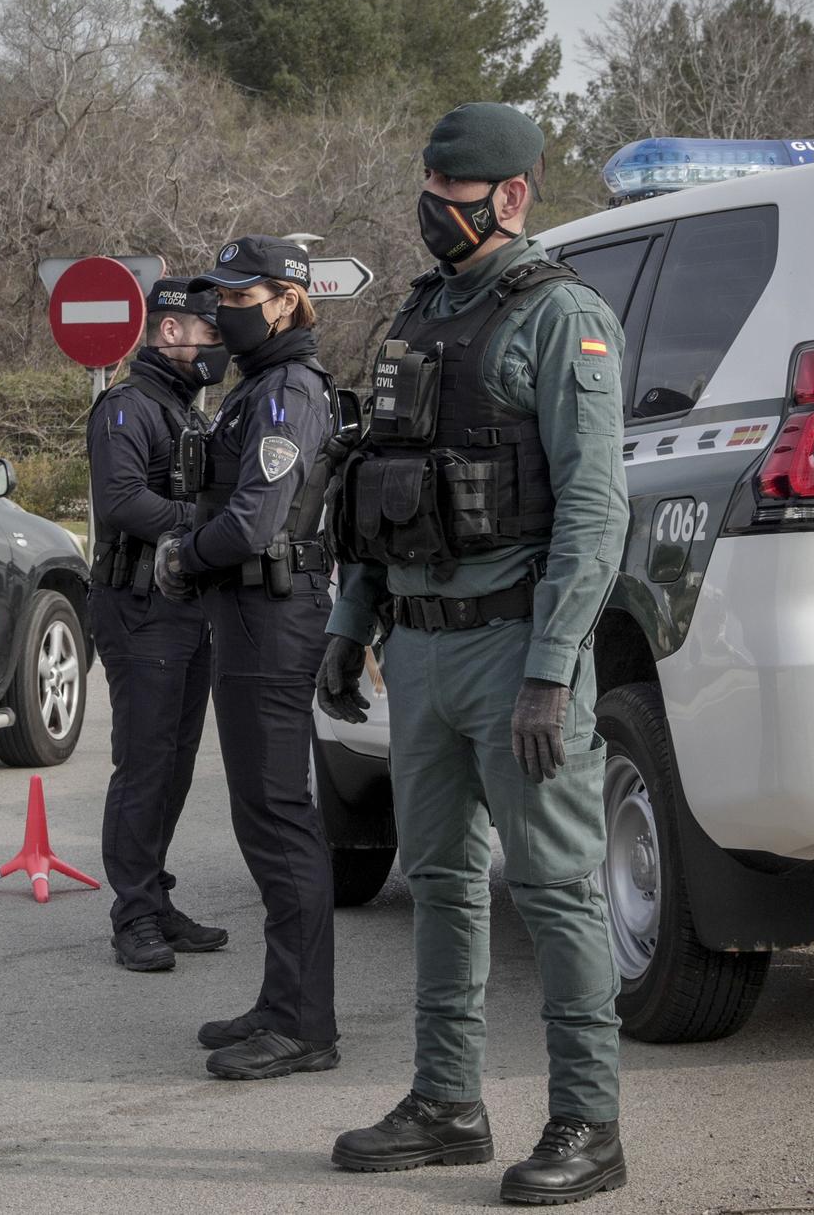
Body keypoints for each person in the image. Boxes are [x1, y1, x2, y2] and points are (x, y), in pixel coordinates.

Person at [320, 104, 629, 1205]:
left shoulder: (562, 317)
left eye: (452, 191)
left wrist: (551, 669)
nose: (430, 209)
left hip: (511, 648)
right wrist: (347, 625)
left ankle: (587, 1122)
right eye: (427, 186)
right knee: (442, 878)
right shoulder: (418, 316)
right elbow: (375, 486)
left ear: (510, 196)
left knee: (551, 889)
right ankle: (446, 1101)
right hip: (417, 647)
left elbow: (593, 511)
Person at [153, 235, 342, 1081]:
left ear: (283, 301)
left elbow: (256, 522)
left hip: (273, 618)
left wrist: (182, 555)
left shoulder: (287, 394)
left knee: (279, 820)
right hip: (248, 616)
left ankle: (305, 1025)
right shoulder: (256, 390)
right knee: (260, 819)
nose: (218, 311)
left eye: (235, 297)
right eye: (217, 297)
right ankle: (282, 1001)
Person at [86, 276, 231, 973]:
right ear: (171, 332)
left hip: (185, 606)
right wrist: (202, 531)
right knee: (145, 763)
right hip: (139, 607)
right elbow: (119, 501)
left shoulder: (185, 411)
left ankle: (155, 895)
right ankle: (134, 914)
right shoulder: (128, 406)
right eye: (210, 334)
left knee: (173, 765)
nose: (218, 349)